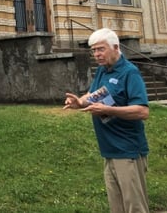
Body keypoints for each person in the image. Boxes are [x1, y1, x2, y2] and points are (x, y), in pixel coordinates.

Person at [64, 28, 150, 213]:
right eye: (94, 50)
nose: (97, 54)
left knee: (134, 207)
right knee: (117, 208)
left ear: (115, 47)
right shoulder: (103, 71)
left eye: (101, 49)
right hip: (109, 151)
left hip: (128, 152)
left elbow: (142, 111)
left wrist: (108, 110)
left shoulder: (130, 73)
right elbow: (94, 94)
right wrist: (80, 102)